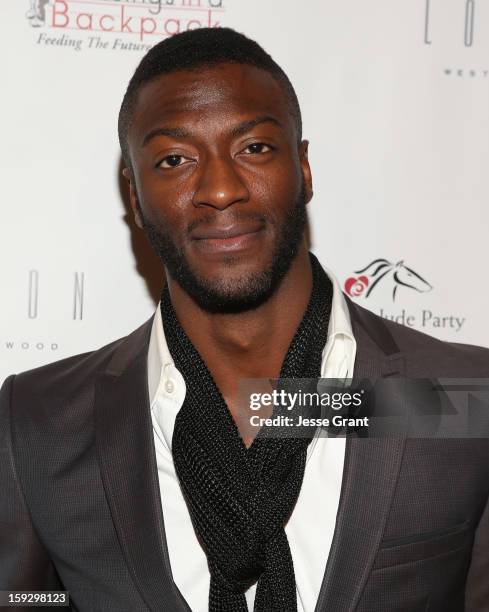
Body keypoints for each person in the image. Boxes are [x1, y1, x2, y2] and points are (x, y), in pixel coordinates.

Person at [1, 27, 488, 612]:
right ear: (134, 196)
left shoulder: (460, 397)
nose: (221, 189)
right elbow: (26, 601)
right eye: (175, 159)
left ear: (303, 168)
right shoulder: (42, 421)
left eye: (253, 148)